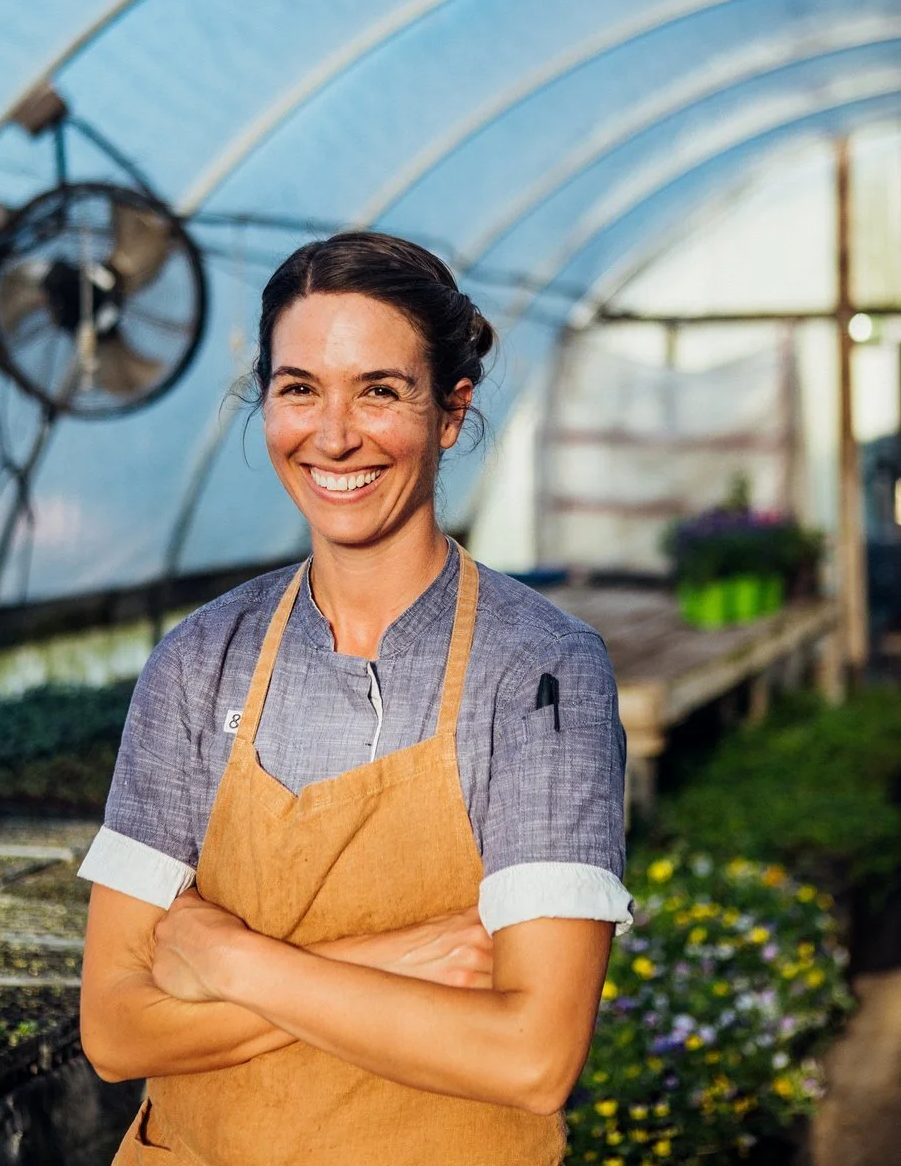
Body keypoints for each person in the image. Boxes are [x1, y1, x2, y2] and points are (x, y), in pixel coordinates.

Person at [78, 231, 632, 1166]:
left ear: (452, 412)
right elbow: (117, 1032)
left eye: (380, 390)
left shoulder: (538, 670)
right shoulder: (199, 660)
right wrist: (384, 963)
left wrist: (227, 960)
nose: (334, 434)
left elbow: (533, 1057)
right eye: (300, 388)